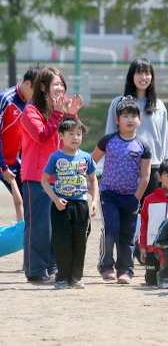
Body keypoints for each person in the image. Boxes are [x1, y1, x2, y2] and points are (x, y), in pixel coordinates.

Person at [21, 66, 84, 283]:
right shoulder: (30, 111)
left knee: (58, 225)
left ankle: (54, 267)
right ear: (42, 87)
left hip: (61, 178)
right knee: (39, 226)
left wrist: (72, 114)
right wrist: (59, 113)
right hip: (36, 177)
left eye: (61, 84)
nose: (60, 88)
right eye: (55, 84)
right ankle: (36, 270)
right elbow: (41, 136)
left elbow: (71, 137)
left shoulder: (61, 111)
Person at [91, 96, 151, 284]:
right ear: (117, 120)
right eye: (125, 116)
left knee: (127, 234)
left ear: (139, 120)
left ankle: (126, 270)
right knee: (111, 229)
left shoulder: (143, 146)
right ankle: (106, 265)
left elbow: (145, 176)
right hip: (109, 194)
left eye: (134, 116)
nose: (130, 120)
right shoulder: (107, 141)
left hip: (131, 197)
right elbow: (91, 162)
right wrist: (91, 185)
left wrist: (136, 197)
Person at [40, 116, 98, 289]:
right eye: (71, 134)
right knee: (62, 242)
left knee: (80, 241)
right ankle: (62, 278)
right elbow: (44, 180)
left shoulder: (86, 157)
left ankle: (76, 278)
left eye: (79, 134)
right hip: (61, 205)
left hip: (81, 204)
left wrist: (94, 201)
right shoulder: (55, 157)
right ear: (61, 136)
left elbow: (93, 180)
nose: (75, 137)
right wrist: (56, 199)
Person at [105, 59, 168, 198]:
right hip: (125, 166)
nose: (144, 77)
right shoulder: (118, 102)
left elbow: (165, 138)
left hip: (153, 166)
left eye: (147, 73)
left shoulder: (159, 105)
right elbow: (110, 136)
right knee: (128, 213)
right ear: (132, 76)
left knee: (150, 214)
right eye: (139, 73)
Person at [0, 64, 42, 212]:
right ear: (28, 84)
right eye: (36, 92)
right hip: (2, 162)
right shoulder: (5, 99)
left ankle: (26, 234)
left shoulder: (32, 105)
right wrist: (2, 167)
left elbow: (27, 138)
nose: (38, 97)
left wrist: (26, 163)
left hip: (13, 162)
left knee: (29, 202)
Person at [139, 158, 168, 286]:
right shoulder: (149, 199)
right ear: (159, 177)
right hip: (153, 247)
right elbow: (144, 224)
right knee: (151, 282)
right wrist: (143, 246)